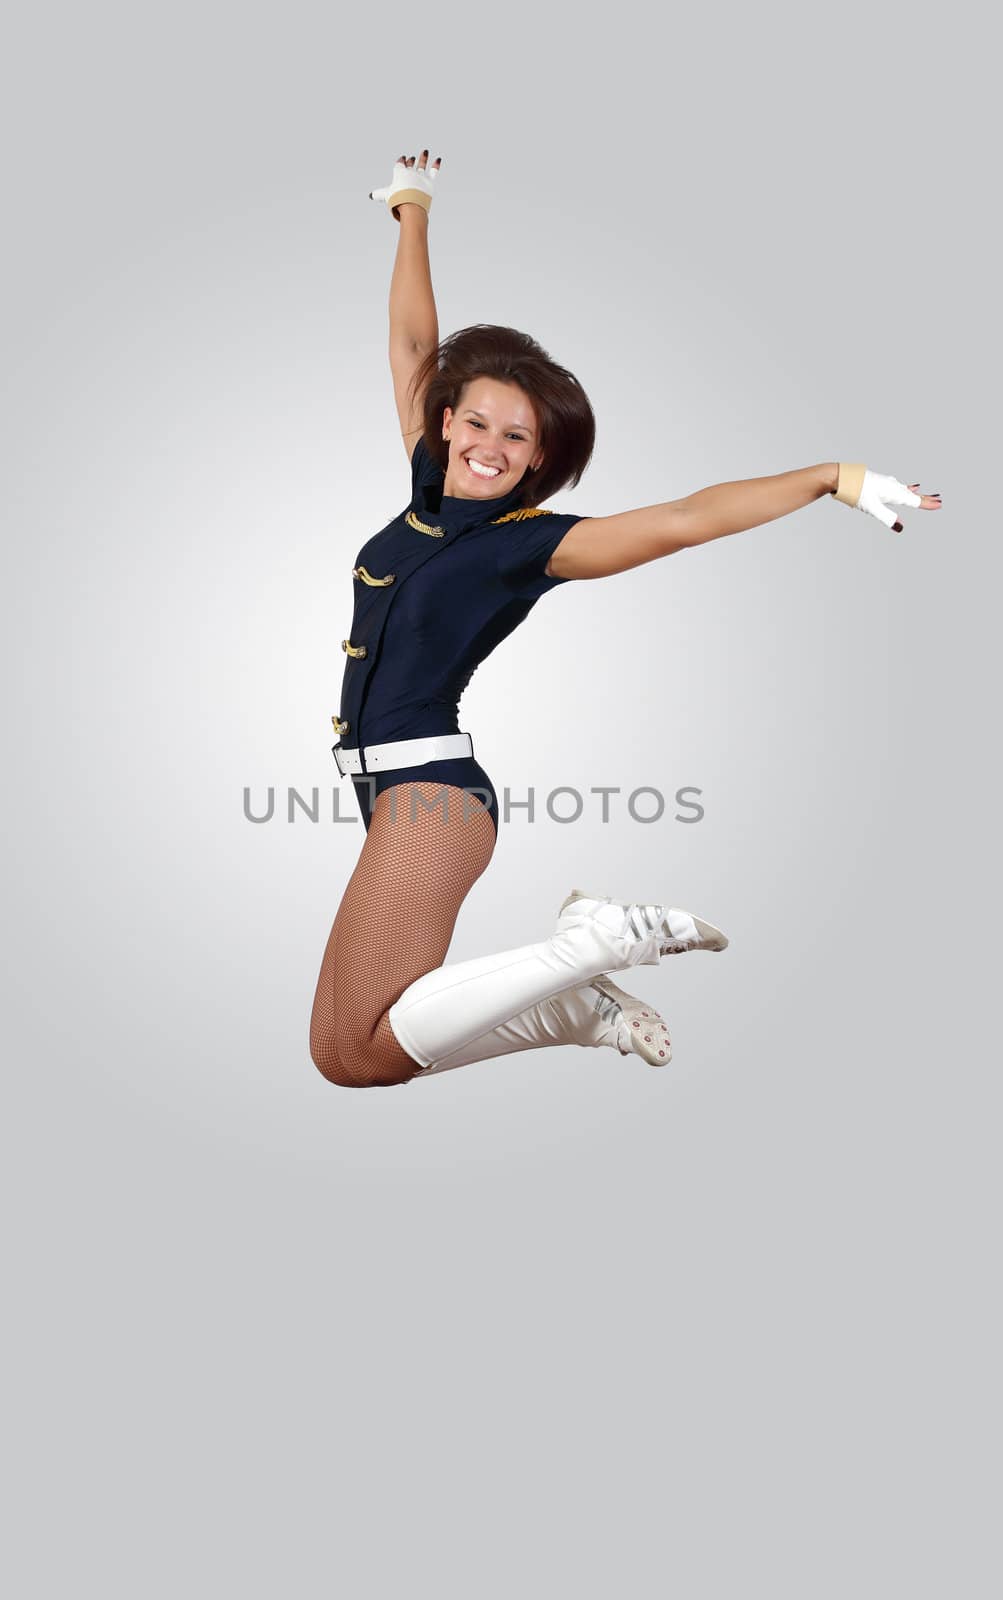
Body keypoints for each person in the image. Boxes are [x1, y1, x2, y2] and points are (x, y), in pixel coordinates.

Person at [308, 149, 942, 1091]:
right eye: (477, 423)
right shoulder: (426, 482)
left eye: (516, 437)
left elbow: (682, 520)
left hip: (430, 798)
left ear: (538, 458)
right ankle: (576, 1007)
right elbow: (413, 347)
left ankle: (594, 941)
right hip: (386, 799)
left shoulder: (531, 542)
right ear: (447, 422)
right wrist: (413, 208)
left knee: (351, 1056)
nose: (489, 446)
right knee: (352, 1049)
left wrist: (829, 480)